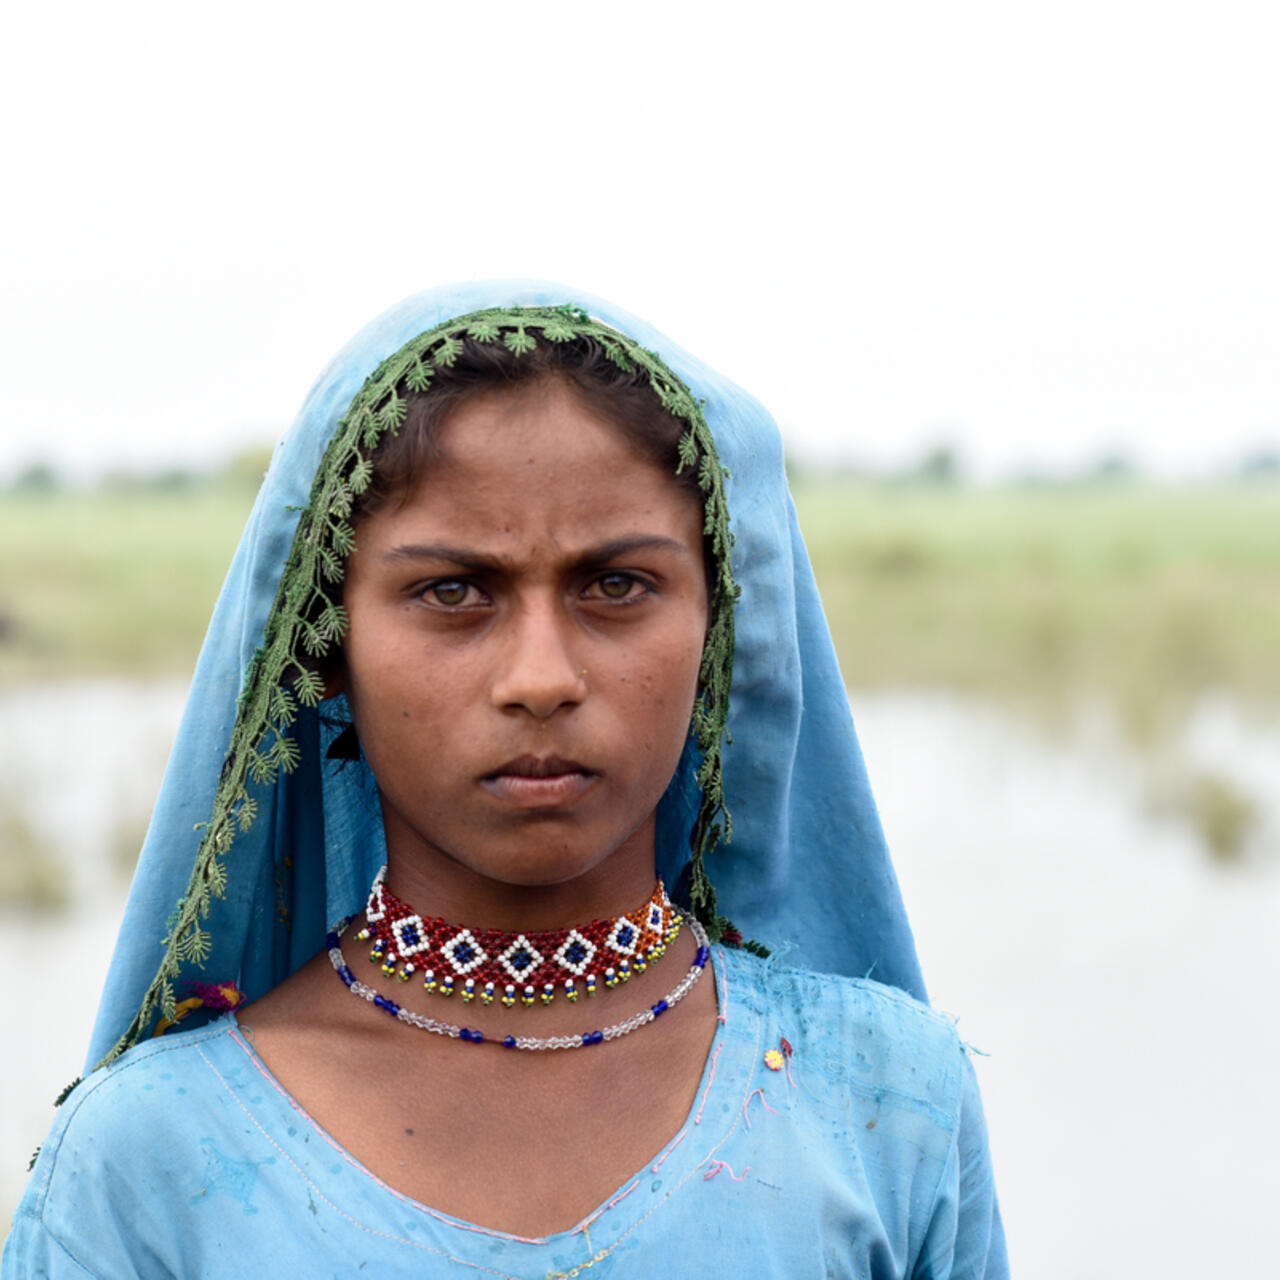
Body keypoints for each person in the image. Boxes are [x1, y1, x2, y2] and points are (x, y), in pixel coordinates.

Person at [3, 284, 1007, 1277]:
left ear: (718, 633)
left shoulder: (887, 1105)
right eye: (451, 590)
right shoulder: (146, 1165)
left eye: (615, 584)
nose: (540, 678)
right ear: (331, 645)